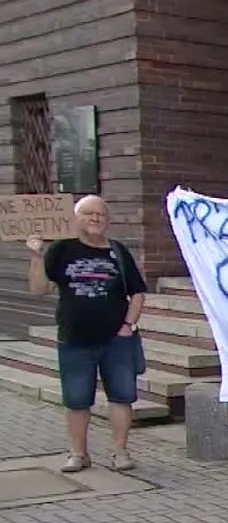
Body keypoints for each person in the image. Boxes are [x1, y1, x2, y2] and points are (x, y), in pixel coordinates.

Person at [25, 196, 147, 473]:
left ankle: (119, 451)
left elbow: (138, 293)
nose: (95, 219)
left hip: (117, 340)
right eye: (88, 214)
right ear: (76, 218)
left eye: (100, 214)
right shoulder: (61, 249)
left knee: (122, 396)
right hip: (74, 339)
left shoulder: (117, 251)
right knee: (77, 399)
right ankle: (78, 454)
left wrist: (128, 325)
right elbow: (39, 289)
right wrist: (36, 256)